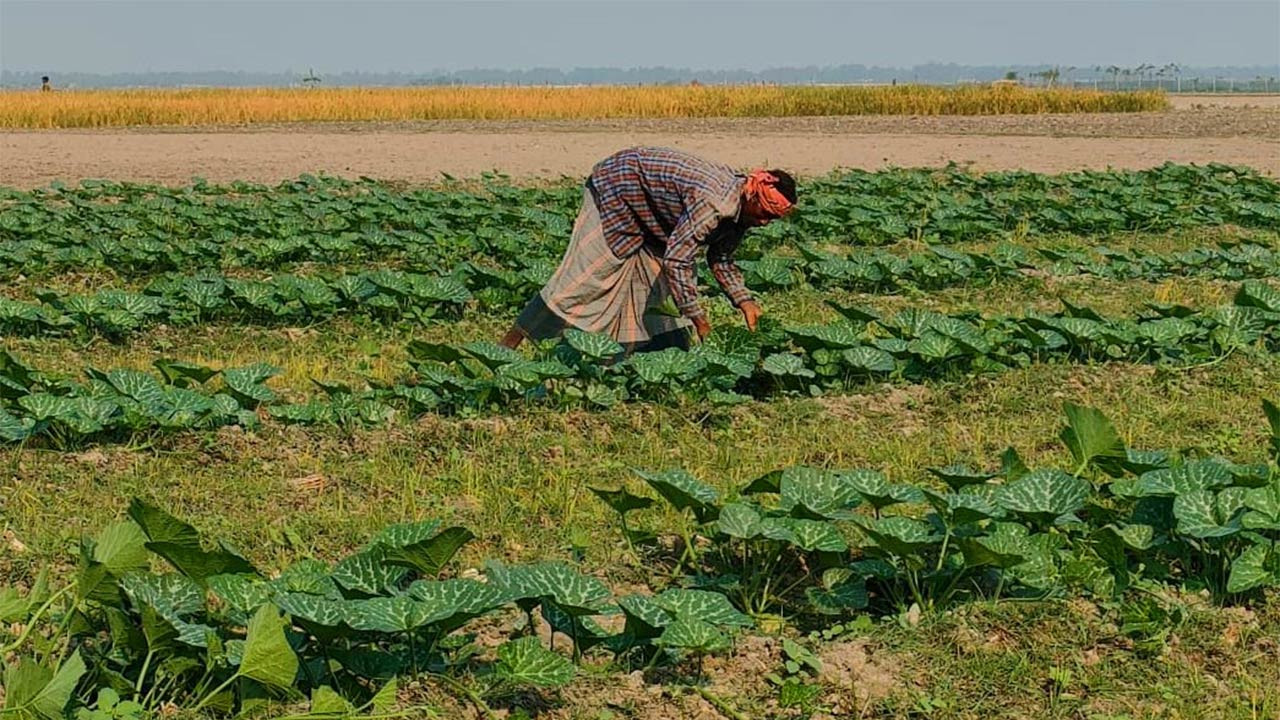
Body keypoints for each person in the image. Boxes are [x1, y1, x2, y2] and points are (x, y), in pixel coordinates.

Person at [499, 146, 796, 354]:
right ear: (754, 191)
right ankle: (507, 349)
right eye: (765, 213)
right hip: (618, 190)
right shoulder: (714, 202)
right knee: (586, 278)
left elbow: (720, 257)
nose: (765, 222)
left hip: (657, 214)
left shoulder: (743, 210)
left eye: (773, 218)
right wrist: (700, 322)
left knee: (653, 290)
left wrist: (744, 301)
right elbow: (678, 262)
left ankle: (630, 362)